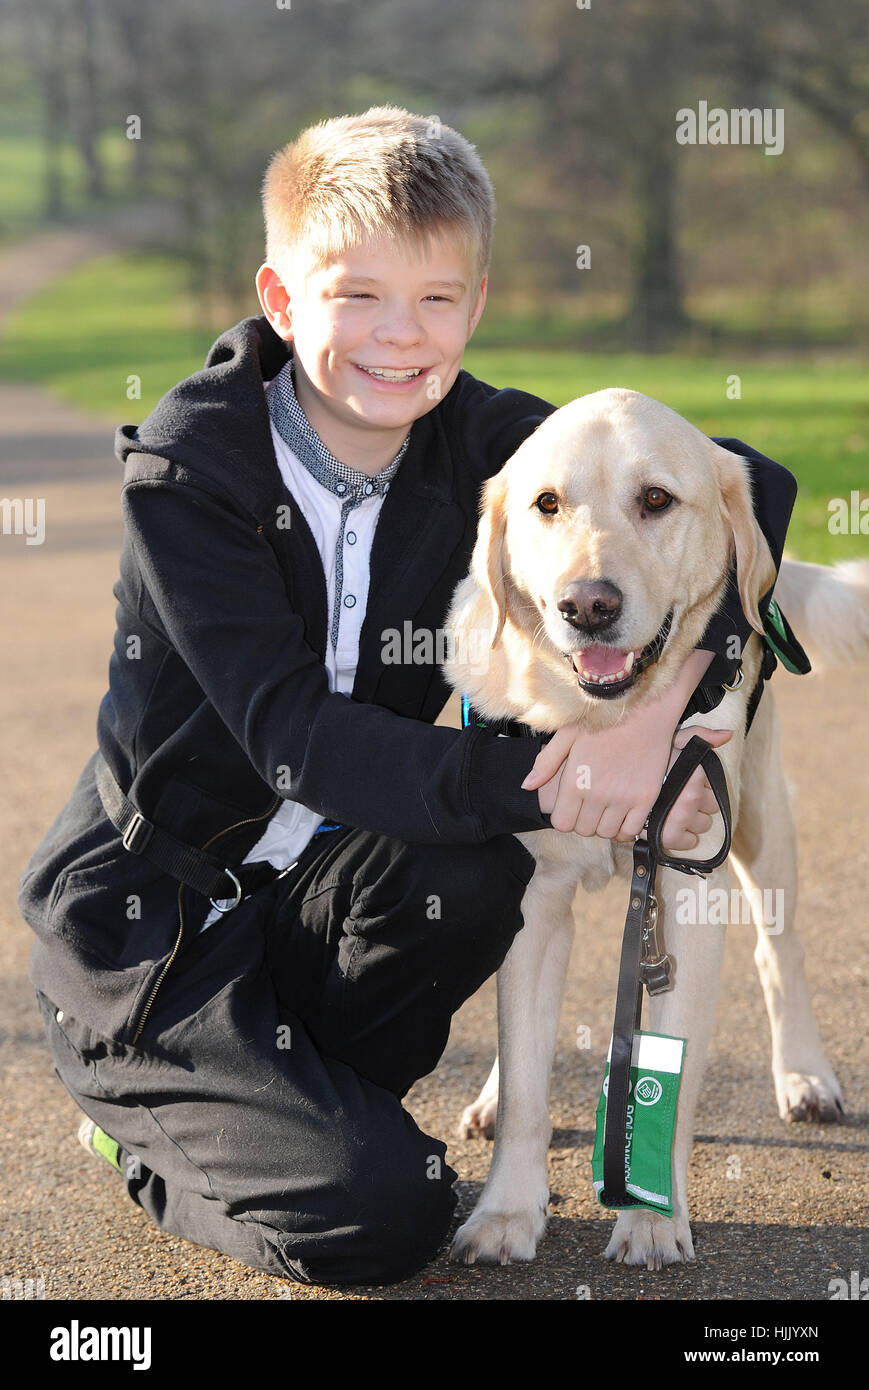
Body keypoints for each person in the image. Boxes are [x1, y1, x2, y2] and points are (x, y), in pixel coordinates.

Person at [18, 106, 797, 1287]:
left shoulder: (483, 446)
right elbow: (294, 739)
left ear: (473, 308)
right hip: (152, 934)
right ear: (282, 302)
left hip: (321, 903)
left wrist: (657, 715)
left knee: (479, 866)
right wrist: (562, 775)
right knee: (389, 1215)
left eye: (435, 300)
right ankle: (155, 1129)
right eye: (357, 297)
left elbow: (746, 487)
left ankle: (269, 1113)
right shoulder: (191, 472)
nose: (398, 338)